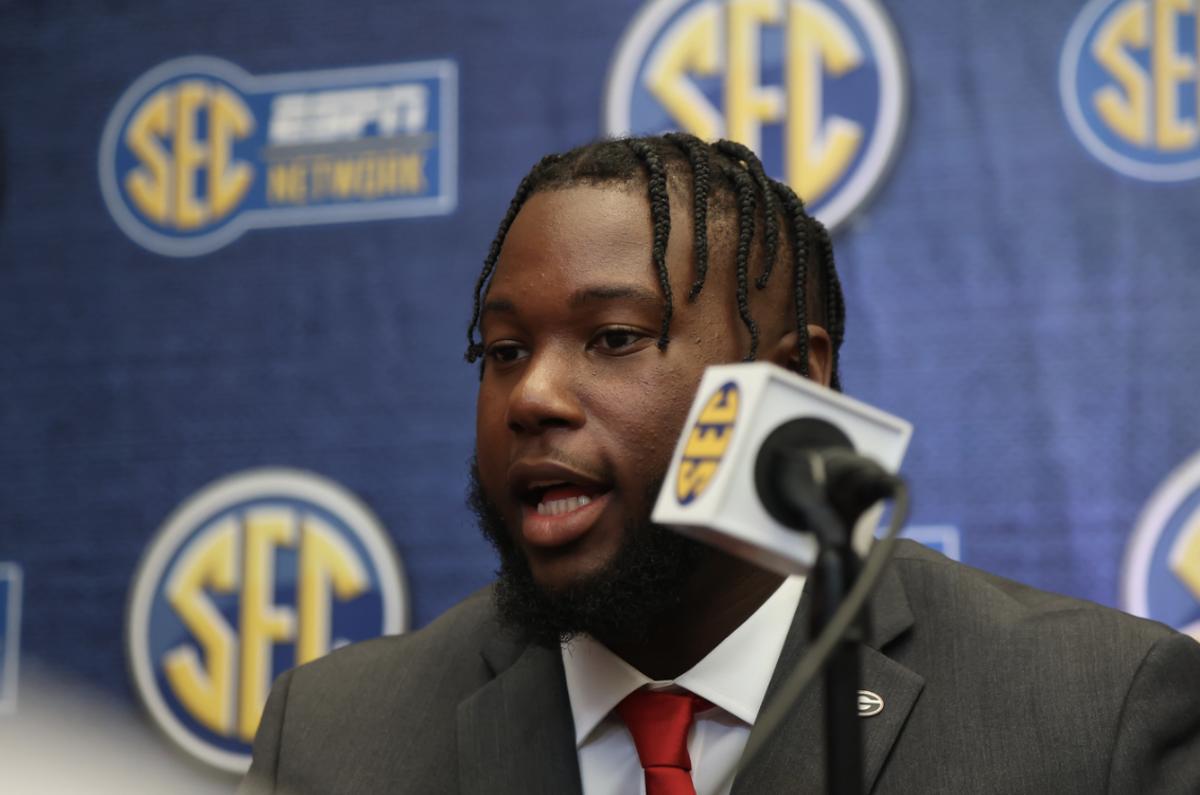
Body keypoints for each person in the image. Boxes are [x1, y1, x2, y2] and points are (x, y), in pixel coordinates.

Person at [240, 134, 1200, 794]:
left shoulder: (1094, 712)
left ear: (792, 377)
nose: (531, 396)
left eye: (613, 337)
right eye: (502, 351)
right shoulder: (334, 739)